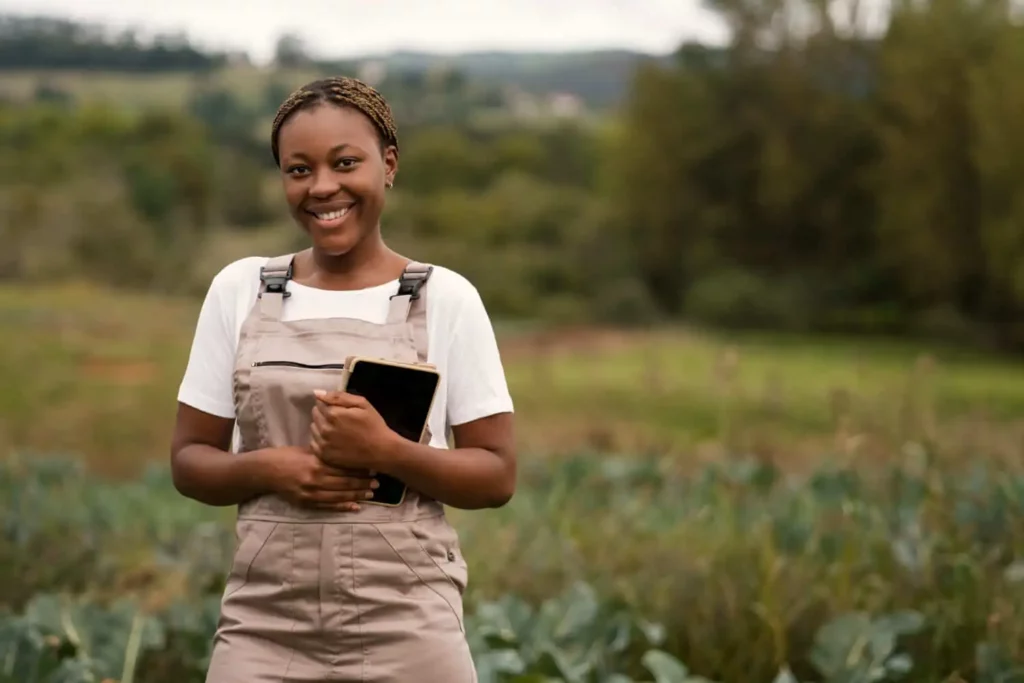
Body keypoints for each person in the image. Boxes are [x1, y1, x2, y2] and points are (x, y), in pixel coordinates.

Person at [169, 76, 517, 683]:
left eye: (345, 163)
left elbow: (495, 475)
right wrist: (271, 468)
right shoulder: (240, 290)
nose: (322, 187)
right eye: (298, 170)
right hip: (263, 625)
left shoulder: (446, 298)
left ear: (388, 165)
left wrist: (386, 451)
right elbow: (189, 462)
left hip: (409, 626)